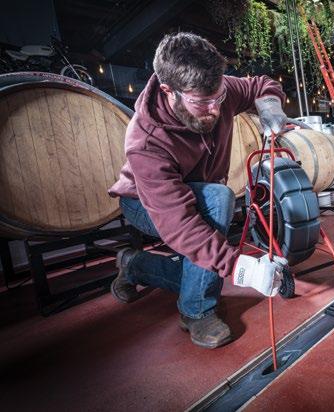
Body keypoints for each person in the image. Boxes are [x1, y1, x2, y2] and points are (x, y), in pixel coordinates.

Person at [108, 32, 289, 349]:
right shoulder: (145, 140)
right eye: (202, 102)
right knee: (218, 201)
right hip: (143, 203)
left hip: (196, 194)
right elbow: (180, 223)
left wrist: (270, 106)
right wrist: (241, 268)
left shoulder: (218, 92)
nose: (215, 109)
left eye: (219, 98)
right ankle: (196, 311)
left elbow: (261, 84)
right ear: (169, 91)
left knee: (200, 270)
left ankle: (135, 266)